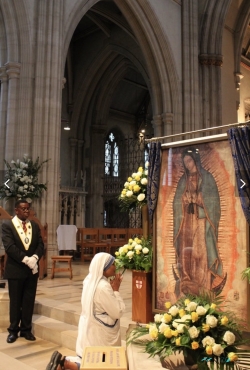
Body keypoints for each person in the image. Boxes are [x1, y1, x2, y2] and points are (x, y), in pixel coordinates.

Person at [46, 252, 125, 370]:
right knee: (100, 363)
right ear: (104, 267)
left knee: (90, 358)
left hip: (89, 326)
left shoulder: (89, 280)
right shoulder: (103, 286)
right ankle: (66, 364)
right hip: (99, 332)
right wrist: (116, 291)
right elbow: (117, 312)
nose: (115, 266)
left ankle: (64, 363)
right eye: (112, 264)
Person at [173, 147, 225, 298]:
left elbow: (213, 201)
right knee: (186, 253)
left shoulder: (207, 178)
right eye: (185, 162)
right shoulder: (184, 180)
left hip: (201, 221)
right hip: (186, 222)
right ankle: (187, 280)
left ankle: (202, 283)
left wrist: (198, 199)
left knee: (200, 252)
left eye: (189, 161)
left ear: (195, 160)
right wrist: (184, 200)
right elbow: (177, 201)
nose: (187, 164)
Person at [2, 198, 44, 343]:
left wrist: (35, 258)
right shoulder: (8, 225)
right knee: (15, 301)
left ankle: (26, 330)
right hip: (16, 269)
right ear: (16, 210)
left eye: (28, 208)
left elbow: (40, 244)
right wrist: (26, 259)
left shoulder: (34, 225)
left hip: (31, 270)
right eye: (24, 209)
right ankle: (13, 330)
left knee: (28, 300)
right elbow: (10, 247)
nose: (27, 211)